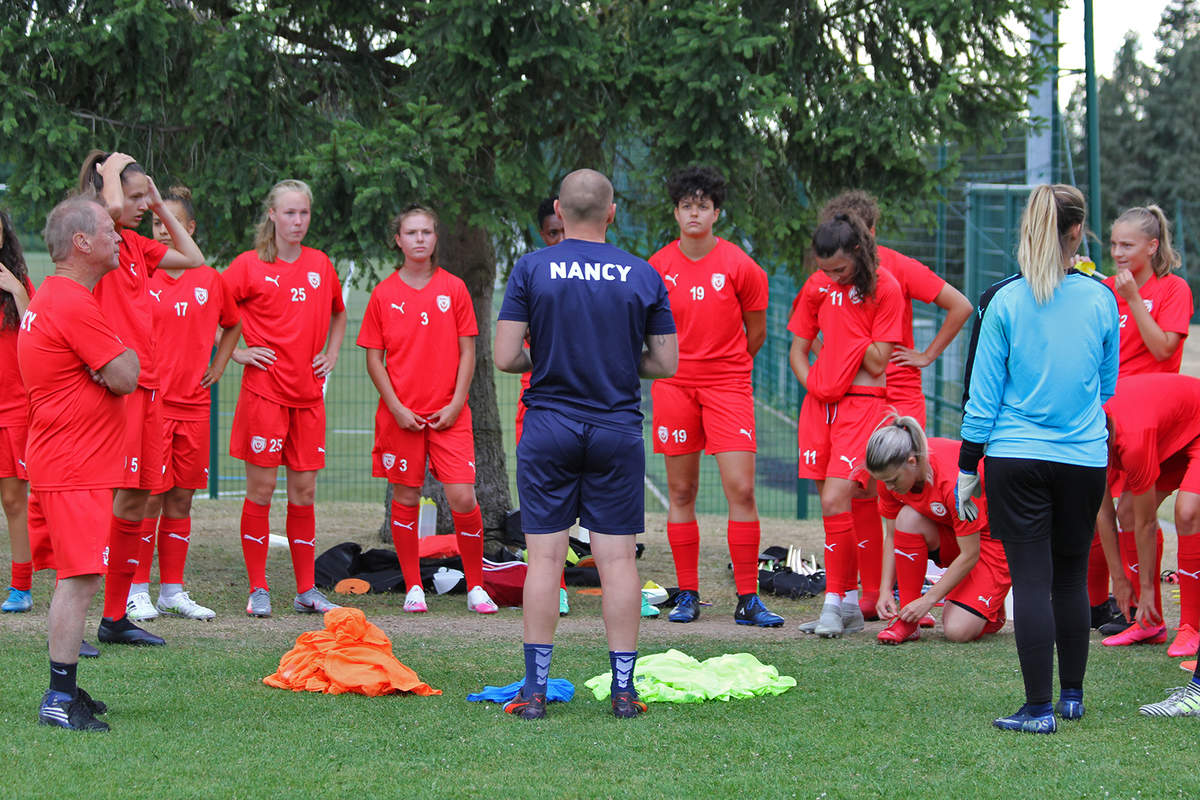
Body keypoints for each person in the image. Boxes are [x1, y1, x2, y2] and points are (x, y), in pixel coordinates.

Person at [494, 169, 677, 719]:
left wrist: (548, 360)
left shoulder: (531, 268)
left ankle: (535, 693)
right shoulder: (643, 274)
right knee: (617, 559)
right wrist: (617, 365)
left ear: (559, 209)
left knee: (545, 557)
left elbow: (506, 357)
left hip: (549, 426)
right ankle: (624, 692)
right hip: (616, 429)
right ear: (612, 212)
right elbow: (665, 362)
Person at [959, 184, 1118, 733]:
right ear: (1078, 231)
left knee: (1031, 579)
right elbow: (1104, 386)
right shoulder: (1103, 298)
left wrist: (964, 467)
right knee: (1070, 576)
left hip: (1015, 458)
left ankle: (1039, 709)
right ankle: (1070, 698)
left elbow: (982, 399)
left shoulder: (1002, 299)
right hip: (1083, 459)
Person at [817, 191, 973, 621]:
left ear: (868, 234)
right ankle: (870, 596)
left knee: (904, 496)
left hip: (899, 398)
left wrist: (926, 355)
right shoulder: (837, 276)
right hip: (858, 396)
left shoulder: (894, 267)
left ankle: (912, 598)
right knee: (867, 493)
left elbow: (960, 305)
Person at [20, 197, 140, 730]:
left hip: (67, 460)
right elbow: (127, 375)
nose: (118, 239)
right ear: (81, 244)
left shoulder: (56, 297)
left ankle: (64, 687)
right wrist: (114, 362)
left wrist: (111, 364)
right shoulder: (69, 302)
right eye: (107, 232)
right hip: (73, 465)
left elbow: (115, 371)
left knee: (77, 576)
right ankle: (57, 699)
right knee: (81, 579)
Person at [78, 150, 205, 646]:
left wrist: (157, 204)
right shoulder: (93, 240)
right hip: (114, 390)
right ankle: (76, 622)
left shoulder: (135, 245)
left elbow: (192, 257)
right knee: (100, 503)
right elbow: (103, 211)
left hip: (150, 389)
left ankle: (114, 618)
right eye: (132, 197)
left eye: (142, 198)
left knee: (135, 501)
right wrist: (110, 176)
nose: (138, 206)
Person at [647, 165, 780, 627]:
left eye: (703, 205)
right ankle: (687, 595)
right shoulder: (657, 267)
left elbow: (756, 332)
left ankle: (749, 599)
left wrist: (723, 366)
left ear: (717, 212)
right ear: (676, 212)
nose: (694, 213)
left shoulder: (741, 267)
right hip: (675, 386)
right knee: (681, 490)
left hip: (728, 386)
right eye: (687, 205)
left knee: (741, 490)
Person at [358, 204, 498, 616]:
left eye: (426, 232)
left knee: (462, 496)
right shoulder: (384, 294)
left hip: (449, 415)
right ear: (398, 240)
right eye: (411, 232)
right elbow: (373, 359)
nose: (419, 239)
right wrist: (397, 407)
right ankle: (414, 587)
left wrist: (457, 403)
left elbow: (468, 351)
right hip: (402, 416)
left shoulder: (454, 289)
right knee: (405, 495)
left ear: (436, 239)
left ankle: (476, 587)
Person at [223, 179, 347, 617]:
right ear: (272, 215)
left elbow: (338, 312)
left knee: (304, 493)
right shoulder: (248, 266)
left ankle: (306, 590)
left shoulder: (319, 264)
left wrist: (331, 353)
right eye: (290, 213)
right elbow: (214, 314)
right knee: (261, 492)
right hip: (264, 396)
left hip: (308, 397)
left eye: (304, 213)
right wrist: (237, 352)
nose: (298, 222)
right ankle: (258, 588)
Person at [123, 186, 241, 622]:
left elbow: (233, 324)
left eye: (171, 223)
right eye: (155, 223)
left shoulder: (210, 279)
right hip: (151, 405)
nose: (162, 231)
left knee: (181, 501)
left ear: (188, 228)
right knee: (148, 500)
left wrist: (221, 365)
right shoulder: (140, 273)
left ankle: (172, 590)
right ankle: (136, 590)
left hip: (193, 407)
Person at [788, 212, 904, 637]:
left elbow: (878, 360)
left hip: (863, 405)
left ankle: (832, 603)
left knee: (838, 497)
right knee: (836, 507)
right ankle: (851, 603)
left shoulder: (886, 287)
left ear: (858, 251)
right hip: (822, 406)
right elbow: (798, 349)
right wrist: (814, 383)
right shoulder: (818, 286)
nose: (831, 278)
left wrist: (848, 326)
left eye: (839, 269)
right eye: (824, 270)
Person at [1092, 206, 1193, 638]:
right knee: (1117, 512)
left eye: (1127, 245)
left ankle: (1168, 616)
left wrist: (1133, 298)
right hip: (1109, 416)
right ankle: (1132, 608)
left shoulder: (1173, 289)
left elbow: (1164, 351)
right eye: (1113, 244)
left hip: (1156, 421)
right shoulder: (1103, 292)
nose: (1117, 252)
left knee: (1146, 511)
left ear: (1152, 247)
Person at [865, 415, 1010, 644]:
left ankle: (991, 608)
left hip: (992, 543)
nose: (889, 487)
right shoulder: (889, 477)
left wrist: (928, 600)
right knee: (908, 518)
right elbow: (892, 536)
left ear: (912, 462)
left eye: (892, 480)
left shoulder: (955, 483)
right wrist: (884, 591)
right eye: (884, 481)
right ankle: (908, 622)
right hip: (958, 536)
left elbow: (971, 553)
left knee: (957, 631)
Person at [1096, 373, 1200, 658]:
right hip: (1171, 429)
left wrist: (1146, 589)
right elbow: (1103, 512)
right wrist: (1117, 577)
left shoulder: (1134, 441)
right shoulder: (1083, 438)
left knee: (1188, 512)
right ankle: (1149, 622)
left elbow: (1147, 524)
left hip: (1195, 422)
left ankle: (1192, 627)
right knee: (1126, 513)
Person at [512, 196, 572, 617]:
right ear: (543, 235)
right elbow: (508, 347)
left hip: (588, 406)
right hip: (537, 402)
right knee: (543, 506)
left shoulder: (600, 277)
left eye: (565, 231)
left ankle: (615, 580)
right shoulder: (532, 275)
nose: (560, 240)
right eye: (553, 233)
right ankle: (557, 587)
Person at [0, 210, 34, 613]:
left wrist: (19, 293)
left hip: (16, 410)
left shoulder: (17, 284)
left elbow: (40, 333)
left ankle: (21, 587)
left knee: (15, 500)